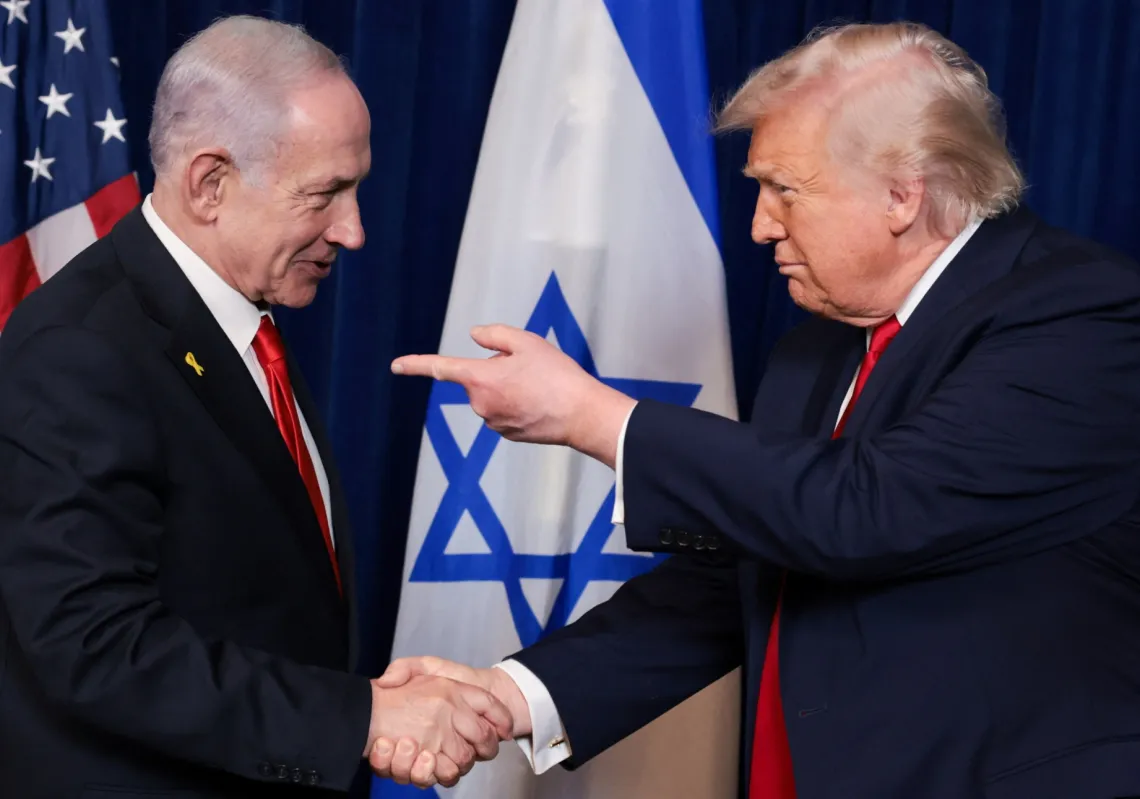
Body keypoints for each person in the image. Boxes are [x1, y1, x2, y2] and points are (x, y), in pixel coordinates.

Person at [376, 20, 1140, 799]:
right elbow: (738, 579)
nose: (761, 224)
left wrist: (597, 417)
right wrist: (509, 697)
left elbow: (870, 509)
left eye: (786, 189)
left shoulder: (1082, 316)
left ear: (902, 194)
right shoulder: (815, 352)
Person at [0, 15, 509, 798]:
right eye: (325, 195)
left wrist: (364, 702)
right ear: (211, 183)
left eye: (357, 189)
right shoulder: (79, 349)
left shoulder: (235, 310)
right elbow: (93, 643)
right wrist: (360, 717)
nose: (354, 231)